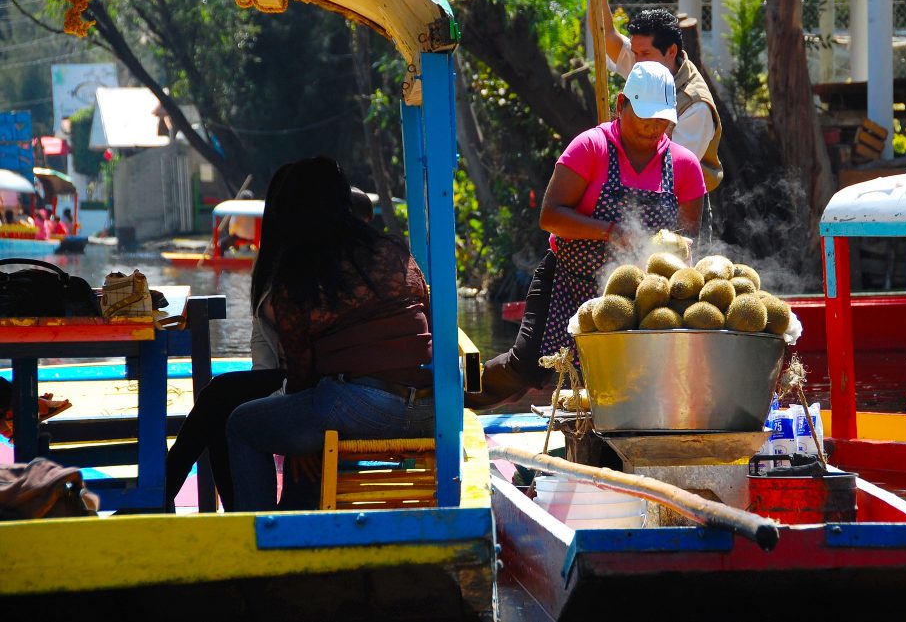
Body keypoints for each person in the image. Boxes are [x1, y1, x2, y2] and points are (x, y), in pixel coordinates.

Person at [477, 62, 706, 404]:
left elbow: (689, 234)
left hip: (637, 299)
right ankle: (456, 397)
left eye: (660, 122)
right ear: (620, 105)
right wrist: (612, 233)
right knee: (527, 366)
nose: (651, 129)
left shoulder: (684, 165)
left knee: (622, 383)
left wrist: (676, 250)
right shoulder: (590, 147)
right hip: (567, 283)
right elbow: (550, 216)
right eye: (644, 118)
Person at [225, 157, 433, 512]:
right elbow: (423, 315)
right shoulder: (391, 250)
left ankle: (258, 538)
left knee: (241, 424)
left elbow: (300, 370)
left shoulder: (300, 270)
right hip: (429, 408)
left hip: (361, 408)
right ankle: (298, 507)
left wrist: (301, 442)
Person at [164, 175, 377, 511]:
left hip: (333, 385)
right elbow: (273, 349)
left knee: (219, 397)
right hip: (303, 379)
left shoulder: (353, 268)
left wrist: (297, 412)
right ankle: (207, 502)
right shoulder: (305, 265)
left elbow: (320, 353)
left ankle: (168, 495)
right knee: (222, 402)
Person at [583, 0, 723, 191]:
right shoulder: (646, 65)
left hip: (679, 201)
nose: (637, 62)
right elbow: (608, 39)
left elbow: (673, 171)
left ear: (671, 52)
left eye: (645, 54)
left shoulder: (695, 105)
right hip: (635, 189)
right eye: (636, 53)